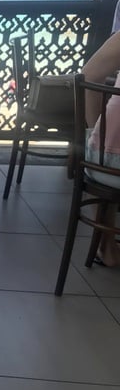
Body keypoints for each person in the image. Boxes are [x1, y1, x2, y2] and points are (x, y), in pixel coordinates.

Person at [81, 31, 120, 266]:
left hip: (107, 164)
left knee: (106, 146)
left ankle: (105, 245)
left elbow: (89, 75)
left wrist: (95, 130)